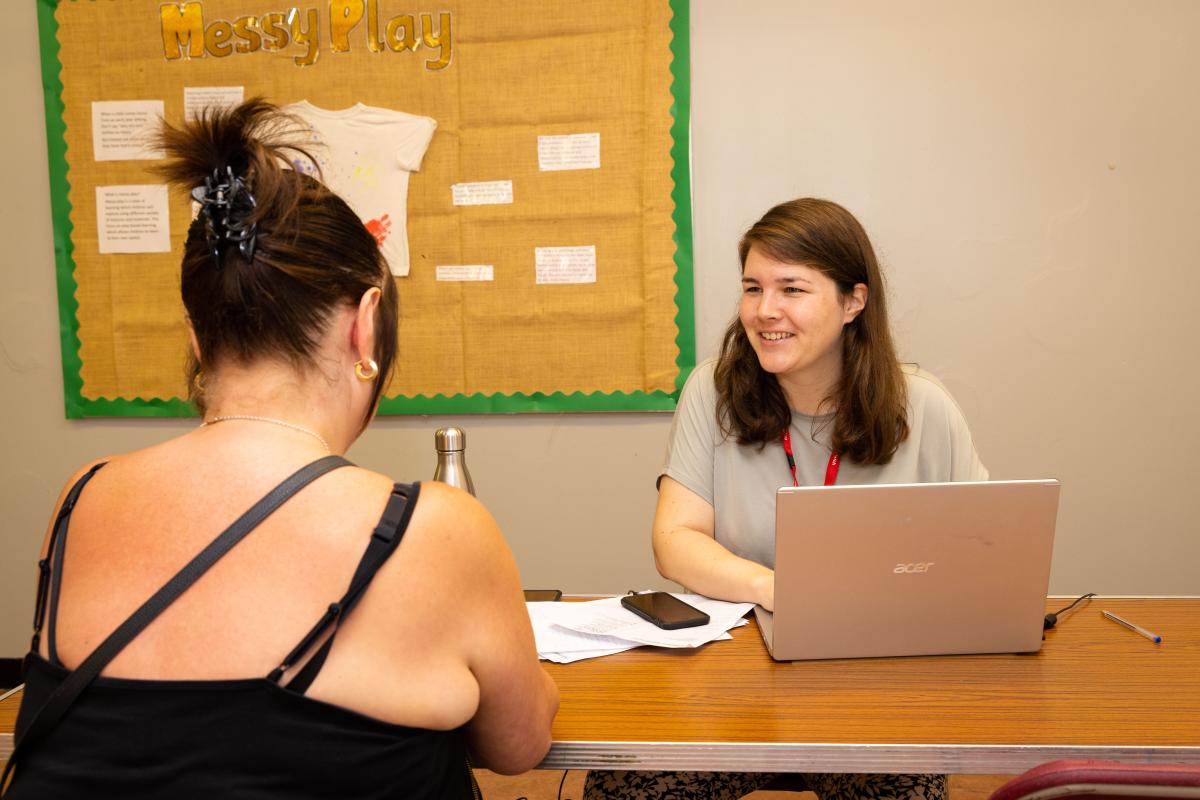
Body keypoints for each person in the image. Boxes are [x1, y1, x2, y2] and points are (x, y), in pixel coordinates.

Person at [4, 99, 558, 799]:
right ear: (365, 328)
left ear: (196, 335)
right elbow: (519, 745)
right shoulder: (432, 527)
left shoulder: (81, 495)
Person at [584, 198, 986, 800]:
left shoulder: (923, 405)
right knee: (622, 788)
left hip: (870, 685)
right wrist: (775, 590)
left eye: (791, 289)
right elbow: (675, 540)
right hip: (730, 683)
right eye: (752, 288)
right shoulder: (712, 390)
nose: (765, 312)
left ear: (854, 301)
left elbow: (983, 551)